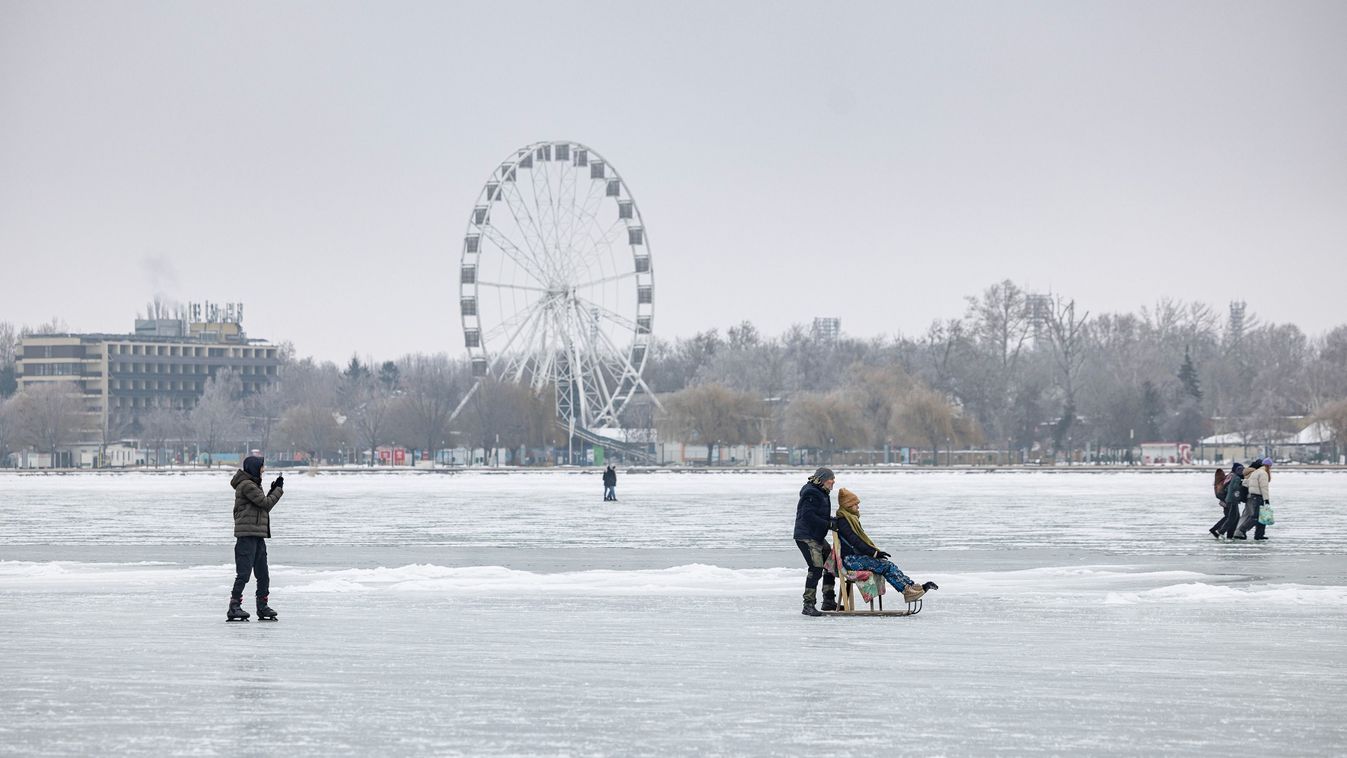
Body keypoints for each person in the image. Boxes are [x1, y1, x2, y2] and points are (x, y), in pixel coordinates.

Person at [832, 487, 938, 603]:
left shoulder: (850, 519)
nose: (858, 506)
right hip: (850, 560)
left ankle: (911, 587)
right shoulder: (843, 521)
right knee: (885, 566)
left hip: (855, 557)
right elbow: (855, 541)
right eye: (855, 504)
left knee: (888, 564)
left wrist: (875, 553)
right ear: (848, 505)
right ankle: (907, 591)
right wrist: (875, 553)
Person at [228, 455, 285, 621]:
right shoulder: (246, 485)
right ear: (254, 468)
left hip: (257, 535)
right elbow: (265, 504)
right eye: (261, 467)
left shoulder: (253, 485)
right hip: (247, 536)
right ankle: (234, 606)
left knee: (263, 574)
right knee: (244, 574)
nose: (263, 470)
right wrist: (278, 490)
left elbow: (261, 507)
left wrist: (272, 490)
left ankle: (262, 606)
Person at [793, 467, 838, 616]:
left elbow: (821, 515)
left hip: (816, 536)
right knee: (816, 567)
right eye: (831, 478)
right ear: (822, 479)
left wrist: (834, 521)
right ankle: (808, 604)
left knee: (830, 563)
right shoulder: (811, 492)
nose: (833, 481)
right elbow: (808, 516)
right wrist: (828, 524)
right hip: (806, 536)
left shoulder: (822, 492)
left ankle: (829, 601)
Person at [1234, 457, 1272, 540]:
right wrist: (1266, 499)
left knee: (1261, 517)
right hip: (1258, 496)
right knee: (1256, 517)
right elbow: (1264, 487)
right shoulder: (1263, 473)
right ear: (1268, 466)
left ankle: (1259, 535)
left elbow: (1246, 482)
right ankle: (1241, 530)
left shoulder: (1256, 472)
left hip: (1252, 496)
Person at [1211, 463, 1245, 539]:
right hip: (1229, 499)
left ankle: (1227, 533)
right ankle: (1220, 531)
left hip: (1227, 499)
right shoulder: (1233, 476)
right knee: (1232, 517)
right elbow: (1229, 488)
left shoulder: (1229, 476)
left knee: (1233, 517)